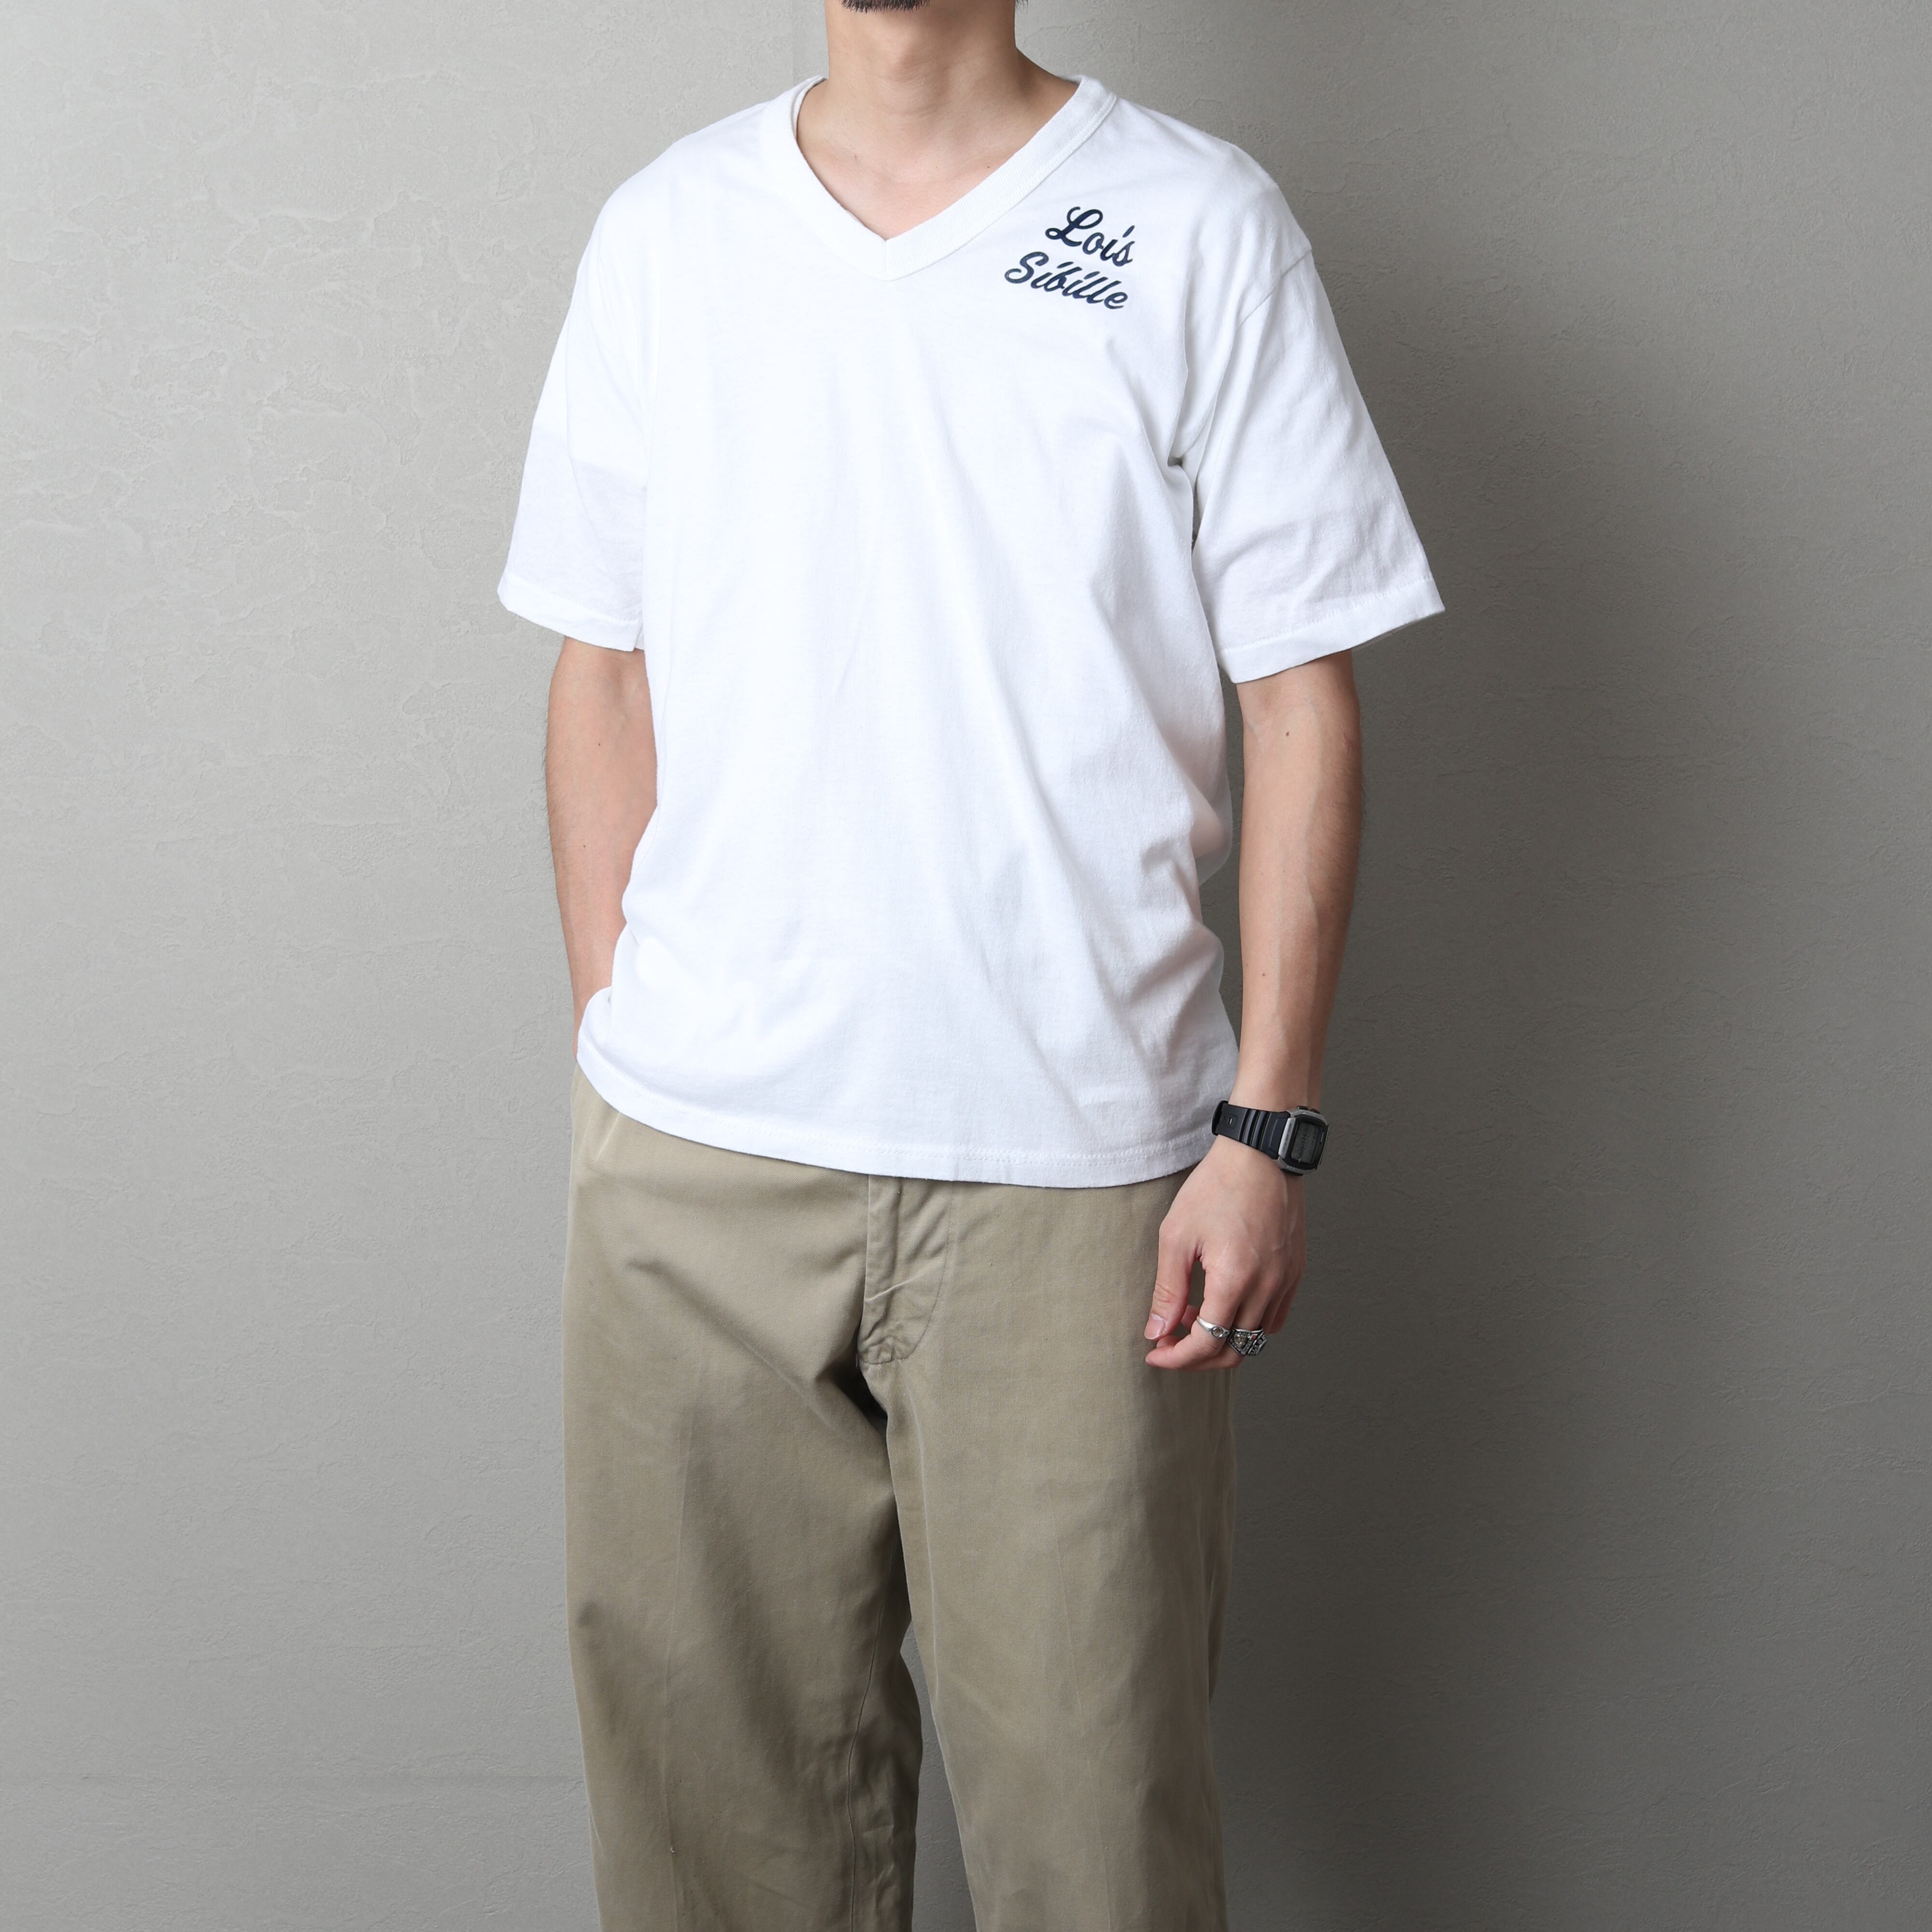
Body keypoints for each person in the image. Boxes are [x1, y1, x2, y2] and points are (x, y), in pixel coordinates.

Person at [498, 0, 1441, 1924]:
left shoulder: (1194, 224)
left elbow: (1301, 694)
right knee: (709, 1854)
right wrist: (630, 1053)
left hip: (1078, 1182)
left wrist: (1267, 1127)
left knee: (1096, 1844)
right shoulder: (670, 230)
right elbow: (603, 664)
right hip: (696, 1186)